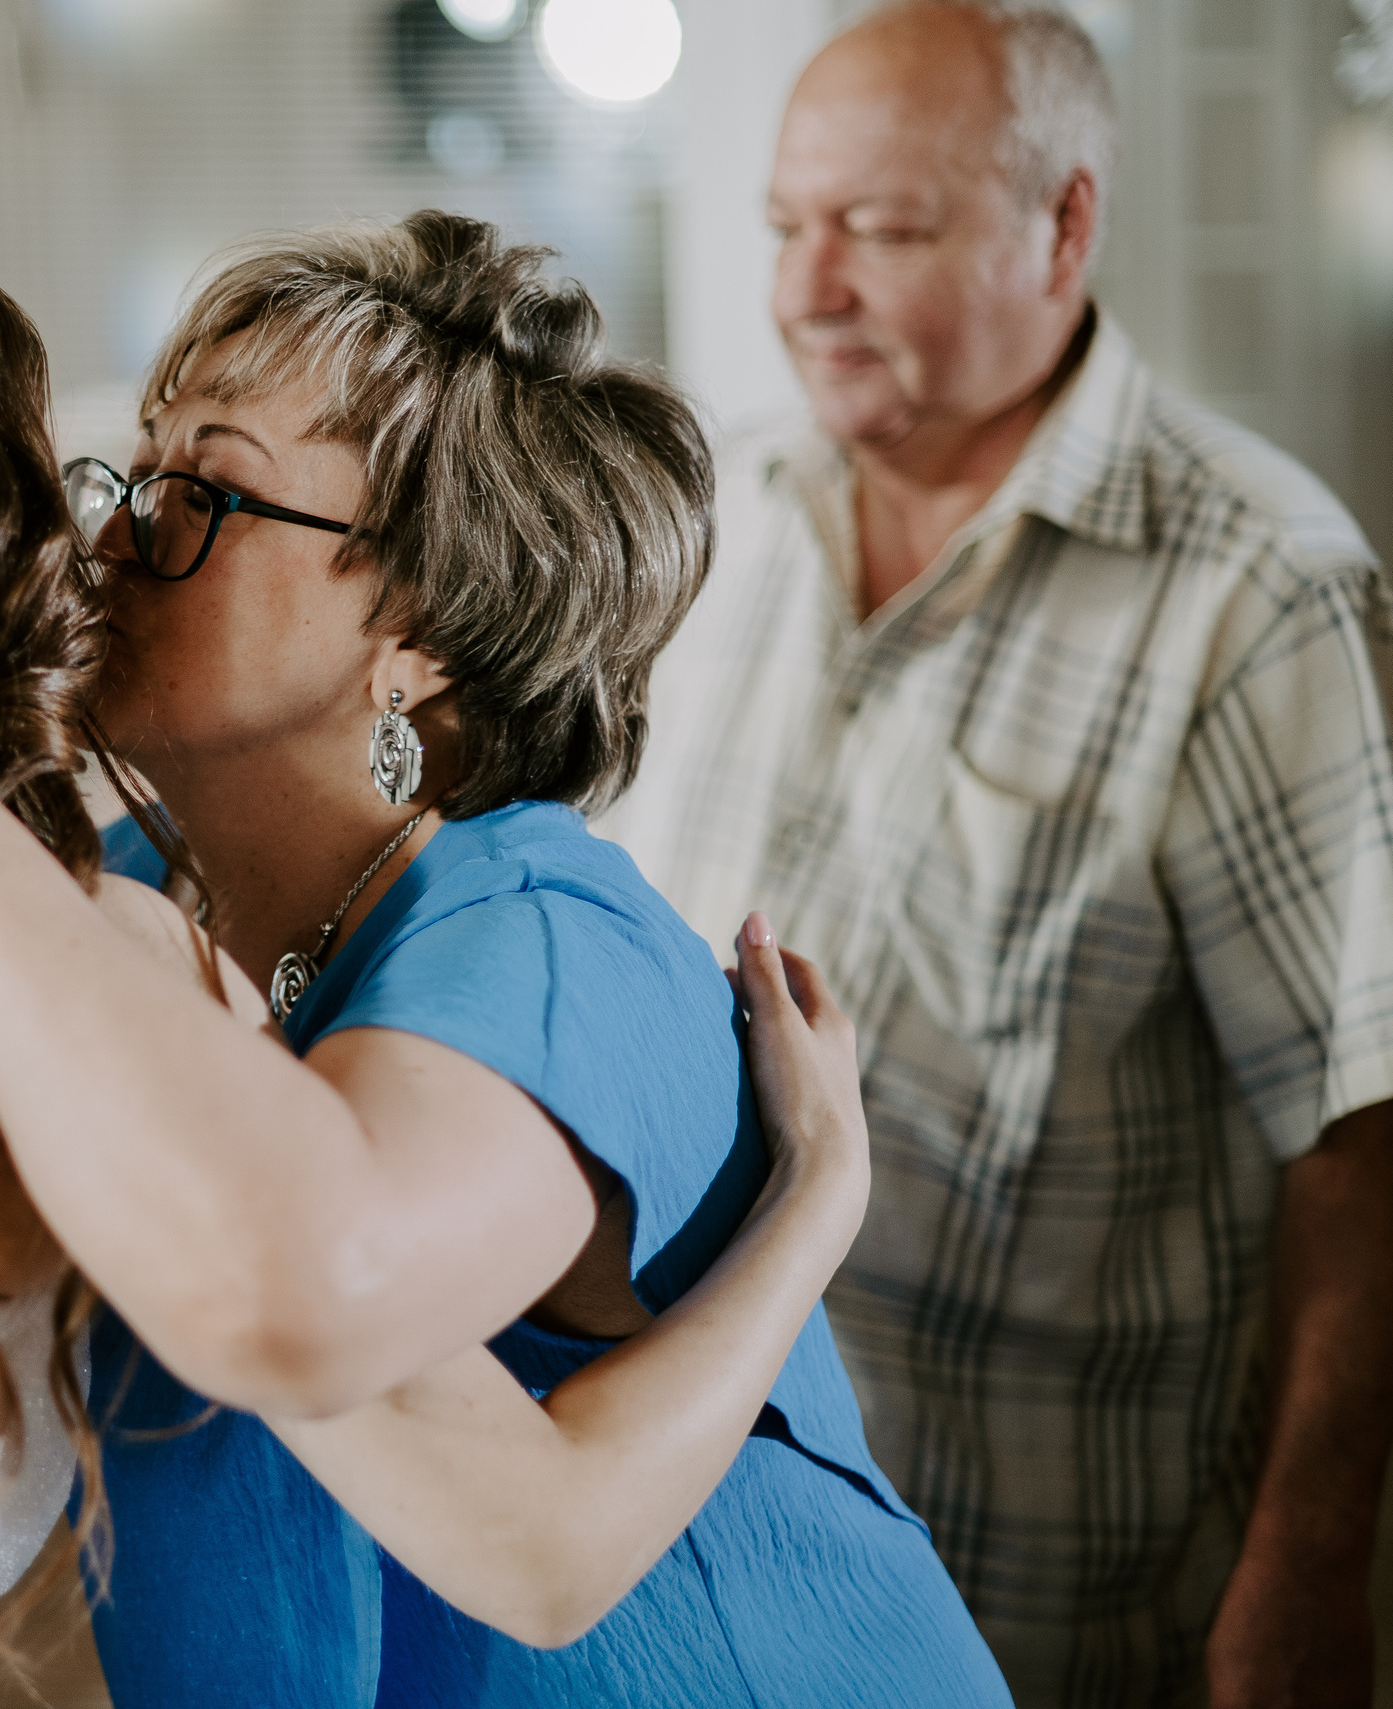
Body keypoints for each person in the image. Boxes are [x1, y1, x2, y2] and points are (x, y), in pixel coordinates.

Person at [0, 209, 1010, 1704]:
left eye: (206, 488)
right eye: (137, 464)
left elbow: (497, 1504)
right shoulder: (127, 886)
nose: (115, 529)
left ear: (422, 633)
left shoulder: (549, 945)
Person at [590, 4, 1393, 1704]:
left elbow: (1361, 1142)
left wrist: (1309, 1577)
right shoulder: (713, 523)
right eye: (789, 226)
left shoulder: (1257, 589)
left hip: (1041, 1608)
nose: (809, 289)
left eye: (882, 230)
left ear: (1068, 223)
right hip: (701, 1556)